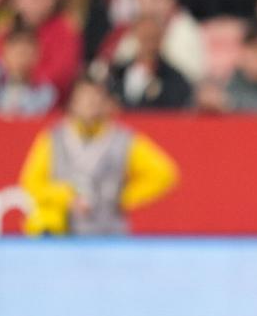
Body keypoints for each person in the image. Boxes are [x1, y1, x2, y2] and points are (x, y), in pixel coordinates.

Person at [19, 77, 179, 235]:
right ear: (73, 103)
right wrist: (65, 197)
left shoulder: (123, 140)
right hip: (63, 232)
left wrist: (122, 197)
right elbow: (31, 182)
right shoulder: (54, 138)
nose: (91, 104)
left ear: (106, 103)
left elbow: (164, 173)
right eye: (85, 98)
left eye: (96, 97)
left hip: (108, 232)